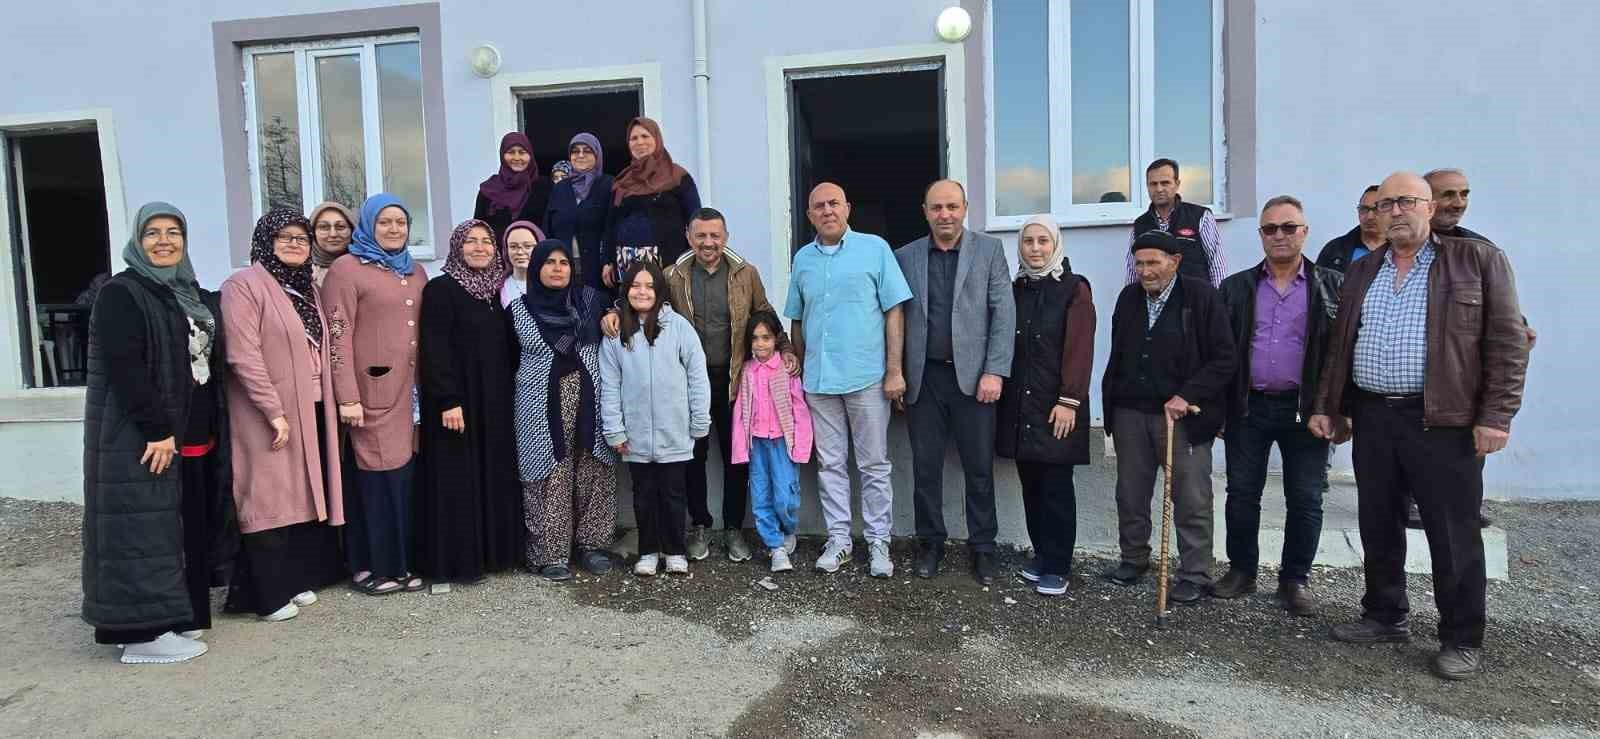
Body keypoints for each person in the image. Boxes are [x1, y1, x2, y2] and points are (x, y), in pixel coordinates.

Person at [1311, 171, 1530, 681]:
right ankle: (1384, 615)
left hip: (1444, 421)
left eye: (1406, 201)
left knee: (1452, 532)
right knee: (1378, 522)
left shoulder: (1477, 260)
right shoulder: (1363, 269)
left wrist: (1496, 415)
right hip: (1373, 416)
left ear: (1429, 207)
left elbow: (1508, 341)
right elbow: (1340, 346)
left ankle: (1461, 637)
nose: (1395, 212)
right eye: (1385, 204)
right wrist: (1330, 406)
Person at [81, 202, 236, 664]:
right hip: (145, 436)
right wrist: (155, 429)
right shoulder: (122, 293)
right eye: (152, 232)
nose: (164, 241)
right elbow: (125, 367)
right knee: (141, 529)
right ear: (137, 240)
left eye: (173, 232)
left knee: (179, 528)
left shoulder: (185, 291)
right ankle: (141, 635)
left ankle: (177, 617)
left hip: (192, 430)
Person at [1214, 196, 1342, 616]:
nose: (1279, 235)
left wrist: (1337, 409)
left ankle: (1294, 580)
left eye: (1289, 227)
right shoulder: (1236, 287)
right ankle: (1241, 571)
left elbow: (1341, 354)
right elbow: (1221, 353)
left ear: (1305, 232)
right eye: (1270, 228)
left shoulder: (1332, 286)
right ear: (1261, 235)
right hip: (1248, 406)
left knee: (1305, 497)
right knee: (1241, 493)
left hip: (1306, 409)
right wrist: (1219, 408)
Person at [220, 209, 346, 624]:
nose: (295, 244)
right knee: (266, 495)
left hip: (311, 404)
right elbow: (243, 355)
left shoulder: (305, 287)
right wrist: (272, 410)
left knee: (301, 491)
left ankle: (291, 578)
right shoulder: (244, 286)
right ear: (265, 241)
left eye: (301, 238)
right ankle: (266, 595)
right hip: (266, 409)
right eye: (284, 237)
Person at [784, 182, 913, 578]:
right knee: (830, 465)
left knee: (874, 464)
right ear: (810, 216)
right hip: (819, 381)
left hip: (867, 377)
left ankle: (878, 542)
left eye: (834, 203)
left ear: (847, 208)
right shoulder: (803, 259)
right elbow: (797, 319)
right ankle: (839, 540)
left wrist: (894, 370)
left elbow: (894, 311)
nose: (827, 211)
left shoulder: (875, 249)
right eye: (819, 206)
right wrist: (801, 366)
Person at [1102, 230, 1236, 603]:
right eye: (1139, 264)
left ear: (1174, 262)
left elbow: (1225, 358)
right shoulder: (1128, 298)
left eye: (1153, 263)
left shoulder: (1202, 296)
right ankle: (1133, 559)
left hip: (1183, 417)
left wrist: (1187, 394)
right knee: (1130, 494)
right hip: (1131, 414)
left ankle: (1194, 573)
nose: (1145, 271)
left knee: (1191, 497)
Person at [892, 180, 1015, 585]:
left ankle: (983, 547)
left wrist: (995, 370)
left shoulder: (989, 250)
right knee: (925, 468)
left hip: (976, 379)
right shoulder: (905, 256)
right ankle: (930, 543)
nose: (944, 214)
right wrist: (895, 371)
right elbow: (894, 317)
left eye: (952, 206)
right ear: (925, 212)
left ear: (965, 208)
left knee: (978, 468)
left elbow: (1003, 313)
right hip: (924, 379)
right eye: (936, 207)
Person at [661, 207, 795, 562]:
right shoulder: (673, 276)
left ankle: (734, 527)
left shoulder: (745, 273)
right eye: (701, 235)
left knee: (736, 456)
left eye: (715, 235)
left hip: (735, 381)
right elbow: (649, 311)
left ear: (726, 237)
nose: (708, 243)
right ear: (689, 236)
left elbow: (764, 312)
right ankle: (700, 525)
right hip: (689, 383)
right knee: (694, 456)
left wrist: (785, 349)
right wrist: (616, 313)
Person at [323, 193, 427, 596]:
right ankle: (371, 566)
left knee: (402, 478)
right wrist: (347, 395)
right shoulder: (347, 270)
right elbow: (337, 336)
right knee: (375, 479)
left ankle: (401, 562)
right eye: (385, 222)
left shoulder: (414, 270)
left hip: (409, 393)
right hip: (370, 392)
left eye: (400, 222)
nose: (394, 229)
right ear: (368, 225)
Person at [415, 219, 524, 583]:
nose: (479, 247)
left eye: (486, 241)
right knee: (459, 479)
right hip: (458, 404)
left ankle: (496, 555)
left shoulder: (495, 293)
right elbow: (435, 349)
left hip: (494, 402)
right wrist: (448, 399)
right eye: (471, 241)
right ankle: (460, 562)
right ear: (457, 247)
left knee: (492, 473)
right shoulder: (441, 289)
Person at [996, 215, 1095, 597]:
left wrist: (1069, 401)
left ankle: (1058, 565)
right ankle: (1041, 554)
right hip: (1022, 406)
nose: (1035, 249)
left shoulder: (1074, 288)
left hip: (1057, 407)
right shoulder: (1016, 288)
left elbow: (1080, 349)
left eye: (1043, 241)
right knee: (1031, 485)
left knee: (1056, 488)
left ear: (1055, 245)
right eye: (1028, 241)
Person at [511, 239, 619, 581]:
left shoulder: (591, 302)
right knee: (548, 474)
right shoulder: (518, 310)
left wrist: (613, 312)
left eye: (563, 263)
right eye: (549, 262)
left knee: (594, 468)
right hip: (538, 406)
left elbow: (618, 323)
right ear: (536, 268)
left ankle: (592, 546)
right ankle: (549, 554)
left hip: (590, 400)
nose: (558, 269)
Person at [601, 260, 711, 576]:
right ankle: (648, 550)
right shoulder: (617, 333)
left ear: (660, 291)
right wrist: (615, 430)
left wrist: (699, 421)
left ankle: (675, 550)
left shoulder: (679, 328)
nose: (642, 292)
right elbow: (610, 385)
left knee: (674, 494)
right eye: (636, 285)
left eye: (649, 286)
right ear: (626, 290)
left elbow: (697, 377)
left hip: (674, 430)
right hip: (635, 434)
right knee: (644, 495)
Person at [730, 311, 813, 573]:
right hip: (757, 444)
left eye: (766, 337)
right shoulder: (747, 371)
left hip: (782, 443)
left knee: (785, 496)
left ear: (776, 339)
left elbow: (799, 409)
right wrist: (740, 448)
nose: (760, 344)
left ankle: (787, 529)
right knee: (761, 496)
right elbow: (741, 411)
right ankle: (775, 547)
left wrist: (801, 445)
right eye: (755, 338)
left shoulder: (786, 369)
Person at [601, 117, 701, 286]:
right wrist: (606, 261)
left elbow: (695, 220)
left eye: (645, 136)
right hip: (626, 262)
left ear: (657, 139)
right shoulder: (622, 181)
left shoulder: (677, 176)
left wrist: (694, 260)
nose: (639, 142)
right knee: (631, 302)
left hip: (669, 263)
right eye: (634, 138)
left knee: (665, 302)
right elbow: (610, 225)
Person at [1124, 158, 1226, 288]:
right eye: (1153, 184)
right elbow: (1132, 271)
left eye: (1165, 183)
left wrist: (1217, 298)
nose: (1159, 189)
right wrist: (1130, 298)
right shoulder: (1140, 225)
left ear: (1177, 184)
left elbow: (1216, 264)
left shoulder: (1200, 216)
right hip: (1155, 299)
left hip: (1195, 297)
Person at [544, 133, 613, 292]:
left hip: (597, 268)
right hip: (562, 268)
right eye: (575, 151)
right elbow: (547, 227)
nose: (580, 155)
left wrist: (608, 260)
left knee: (594, 305)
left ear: (597, 155)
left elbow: (612, 227)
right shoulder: (560, 188)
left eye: (587, 151)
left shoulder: (608, 185)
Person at [475, 132, 554, 250]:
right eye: (511, 152)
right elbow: (479, 229)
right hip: (497, 257)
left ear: (530, 155)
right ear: (502, 155)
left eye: (522, 152)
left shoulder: (545, 187)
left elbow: (552, 226)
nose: (517, 158)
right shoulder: (488, 189)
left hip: (535, 257)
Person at [1314, 185, 1382, 273]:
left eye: (1376, 209)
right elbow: (1317, 280)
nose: (1370, 216)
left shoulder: (1397, 248)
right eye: (1364, 209)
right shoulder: (1335, 249)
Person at [498, 220, 547, 308]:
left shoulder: (553, 282)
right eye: (513, 246)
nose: (520, 252)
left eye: (527, 246)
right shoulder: (498, 287)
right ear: (506, 250)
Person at [309, 201, 356, 287]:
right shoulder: (301, 271)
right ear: (312, 232)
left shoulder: (367, 267)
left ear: (352, 230)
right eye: (324, 227)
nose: (333, 234)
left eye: (340, 227)